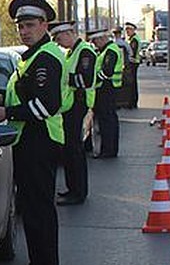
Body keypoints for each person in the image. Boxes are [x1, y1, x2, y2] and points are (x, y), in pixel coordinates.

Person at [0, 0, 66, 265]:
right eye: (21, 26)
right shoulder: (31, 57)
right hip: (29, 140)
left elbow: (47, 105)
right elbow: (27, 96)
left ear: (45, 24)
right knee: (31, 210)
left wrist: (7, 112)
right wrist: (2, 99)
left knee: (40, 211)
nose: (24, 31)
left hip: (40, 140)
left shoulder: (46, 58)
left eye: (30, 25)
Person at [51, 20, 96, 205]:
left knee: (74, 150)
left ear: (69, 33)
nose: (58, 43)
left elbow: (84, 80)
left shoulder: (85, 51)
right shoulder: (71, 52)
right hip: (70, 107)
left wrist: (62, 78)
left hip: (79, 105)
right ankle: (72, 188)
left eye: (59, 38)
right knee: (69, 150)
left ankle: (78, 192)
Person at [89, 28, 122, 158]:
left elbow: (107, 71)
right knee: (108, 120)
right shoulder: (105, 50)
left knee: (107, 121)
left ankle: (108, 150)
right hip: (106, 89)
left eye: (95, 41)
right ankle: (109, 149)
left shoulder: (111, 51)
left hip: (106, 89)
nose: (94, 44)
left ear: (102, 38)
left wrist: (93, 80)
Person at [123, 22, 141, 108]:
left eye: (128, 30)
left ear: (133, 30)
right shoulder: (131, 39)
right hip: (132, 63)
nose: (127, 32)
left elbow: (132, 53)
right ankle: (131, 101)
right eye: (126, 30)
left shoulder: (134, 40)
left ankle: (133, 102)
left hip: (133, 63)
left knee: (132, 84)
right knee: (131, 83)